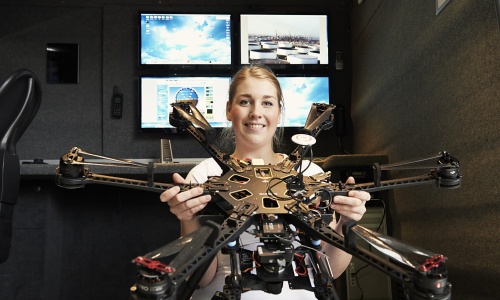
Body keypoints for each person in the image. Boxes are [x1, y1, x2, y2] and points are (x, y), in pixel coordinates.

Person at [160, 64, 371, 299]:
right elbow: (200, 278)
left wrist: (346, 222)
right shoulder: (205, 176)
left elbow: (329, 271)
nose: (256, 113)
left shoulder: (309, 172)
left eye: (267, 103)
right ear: (229, 110)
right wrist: (187, 218)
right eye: (245, 102)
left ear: (279, 112)